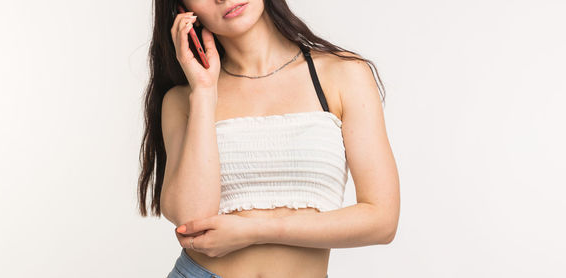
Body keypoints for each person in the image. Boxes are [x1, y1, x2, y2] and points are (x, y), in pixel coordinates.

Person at [137, 1, 400, 277]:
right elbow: (192, 221)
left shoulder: (343, 74)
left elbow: (382, 220)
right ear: (183, 10)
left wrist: (255, 231)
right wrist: (204, 92)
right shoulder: (182, 100)